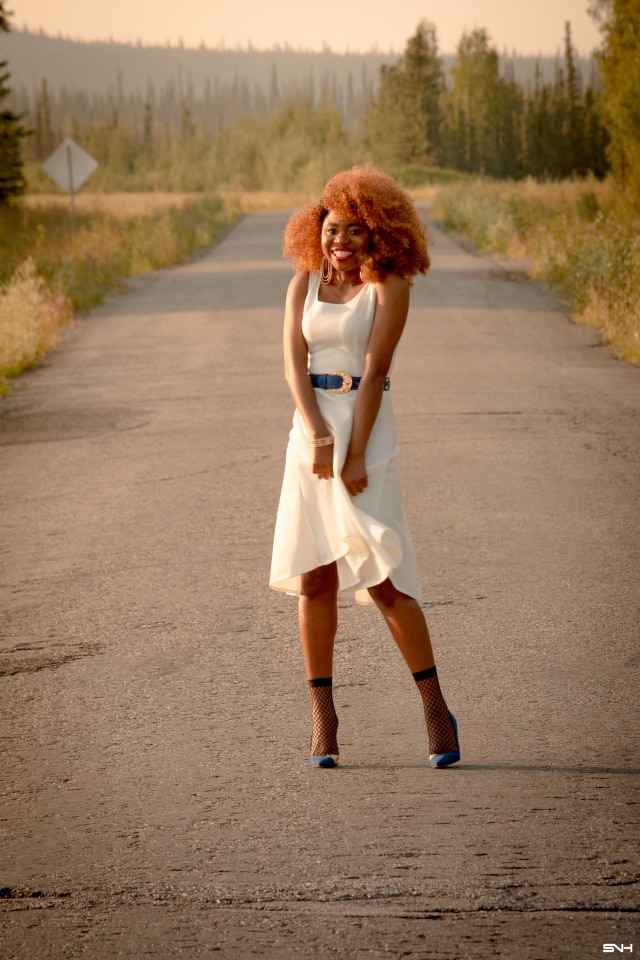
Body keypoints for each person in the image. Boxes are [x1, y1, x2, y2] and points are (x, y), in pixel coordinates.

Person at [269, 166, 460, 770]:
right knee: (316, 575)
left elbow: (375, 373)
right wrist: (318, 433)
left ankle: (435, 708)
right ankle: (323, 721)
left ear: (379, 233)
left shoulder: (390, 284)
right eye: (331, 228)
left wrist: (353, 453)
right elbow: (293, 364)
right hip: (311, 430)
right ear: (315, 230)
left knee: (384, 576)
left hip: (367, 430)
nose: (341, 240)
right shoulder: (304, 281)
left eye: (355, 229)